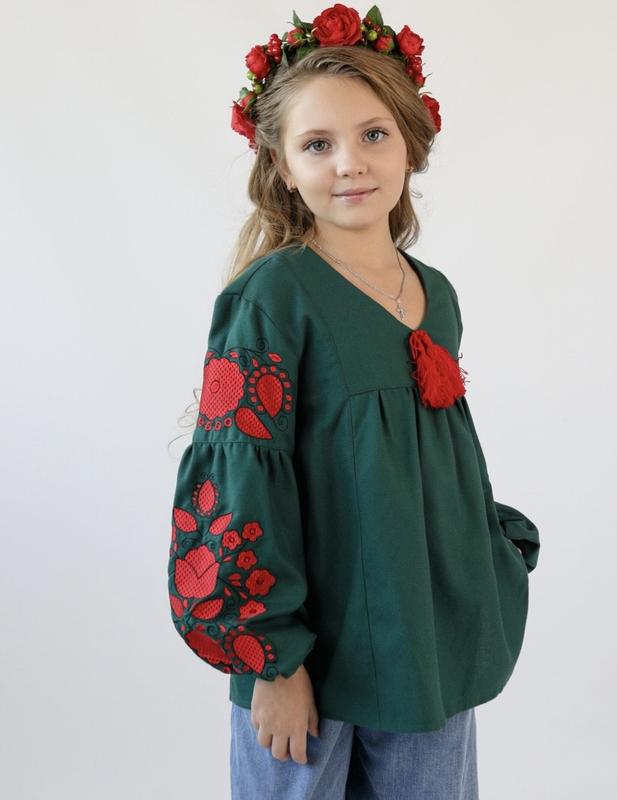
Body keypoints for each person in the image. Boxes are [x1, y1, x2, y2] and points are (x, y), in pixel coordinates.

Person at [167, 5, 541, 798]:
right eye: (318, 144)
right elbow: (240, 484)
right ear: (281, 164)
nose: (351, 164)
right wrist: (273, 662)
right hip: (314, 660)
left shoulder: (435, 294)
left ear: (410, 141)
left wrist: (486, 552)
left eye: (373, 134)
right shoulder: (273, 298)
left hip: (425, 649)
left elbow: (439, 458)